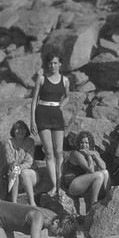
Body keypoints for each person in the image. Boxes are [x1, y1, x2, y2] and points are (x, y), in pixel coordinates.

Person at [31, 54, 70, 197]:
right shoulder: (41, 79)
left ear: (60, 64)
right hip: (42, 114)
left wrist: (60, 106)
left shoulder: (65, 80)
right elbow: (34, 100)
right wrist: (32, 121)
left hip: (56, 115)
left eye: (55, 63)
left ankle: (60, 185)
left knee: (59, 152)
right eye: (50, 63)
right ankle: (54, 186)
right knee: (48, 152)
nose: (52, 66)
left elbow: (67, 96)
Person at [62, 131, 111, 214]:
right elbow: (90, 169)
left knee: (105, 172)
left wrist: (95, 155)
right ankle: (93, 204)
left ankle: (107, 198)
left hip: (83, 181)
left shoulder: (93, 152)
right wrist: (89, 155)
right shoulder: (76, 154)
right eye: (81, 142)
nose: (84, 145)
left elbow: (104, 167)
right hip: (72, 184)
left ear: (90, 144)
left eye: (86, 143)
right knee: (99, 175)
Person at [3, 120, 39, 206]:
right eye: (17, 129)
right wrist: (14, 165)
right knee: (14, 170)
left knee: (22, 171)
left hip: (30, 175)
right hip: (15, 178)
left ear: (26, 131)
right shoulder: (8, 142)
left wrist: (18, 166)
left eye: (23, 129)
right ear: (13, 131)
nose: (20, 131)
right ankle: (14, 203)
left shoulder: (30, 141)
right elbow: (10, 160)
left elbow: (28, 162)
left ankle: (32, 203)